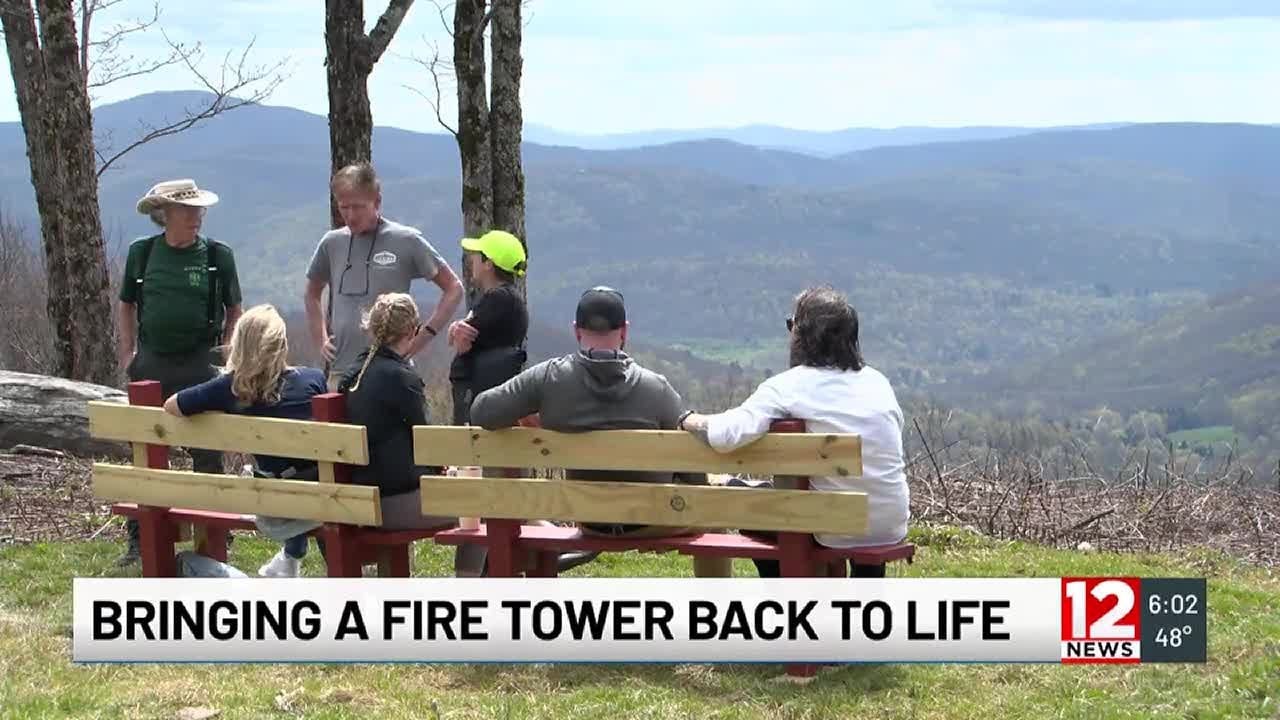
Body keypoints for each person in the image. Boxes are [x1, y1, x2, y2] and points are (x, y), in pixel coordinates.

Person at [469, 286, 733, 578]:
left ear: (576, 331)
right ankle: (716, 599)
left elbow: (482, 411)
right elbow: (695, 481)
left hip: (590, 520)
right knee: (716, 506)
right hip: (653, 521)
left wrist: (529, 412)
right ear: (624, 331)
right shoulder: (657, 389)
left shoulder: (548, 379)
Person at [677, 286, 909, 578]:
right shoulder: (878, 383)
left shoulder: (788, 387)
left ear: (802, 335)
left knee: (753, 510)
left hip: (834, 528)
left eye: (792, 325)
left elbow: (725, 437)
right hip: (890, 523)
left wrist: (688, 419)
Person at [116, 178, 243, 567]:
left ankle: (214, 532)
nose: (196, 217)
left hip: (200, 361)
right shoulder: (142, 254)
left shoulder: (218, 255)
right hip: (151, 362)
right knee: (146, 450)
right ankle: (142, 538)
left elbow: (235, 310)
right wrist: (128, 353)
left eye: (198, 210)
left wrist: (227, 355)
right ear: (165, 214)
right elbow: (127, 304)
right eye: (187, 210)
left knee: (207, 449)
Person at [161, 305, 327, 578]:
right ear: (282, 345)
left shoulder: (231, 388)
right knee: (305, 471)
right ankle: (301, 564)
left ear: (240, 346)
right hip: (325, 498)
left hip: (271, 504)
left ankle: (289, 560)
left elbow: (172, 405)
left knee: (279, 474)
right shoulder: (313, 379)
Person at [305, 163, 464, 390]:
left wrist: (423, 337)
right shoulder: (332, 243)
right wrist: (320, 339)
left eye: (358, 207)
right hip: (341, 373)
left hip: (392, 373)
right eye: (344, 207)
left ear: (377, 202)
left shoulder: (406, 240)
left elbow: (453, 288)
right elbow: (312, 293)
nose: (350, 215)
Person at [338, 293, 457, 532]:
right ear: (412, 331)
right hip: (394, 501)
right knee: (482, 504)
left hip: (360, 501)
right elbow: (428, 443)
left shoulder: (352, 375)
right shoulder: (401, 378)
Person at [447, 230, 529, 425]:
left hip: (479, 404)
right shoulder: (509, 299)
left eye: (476, 256)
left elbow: (461, 340)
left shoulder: (498, 299)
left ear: (488, 263)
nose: (471, 261)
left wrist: (457, 332)